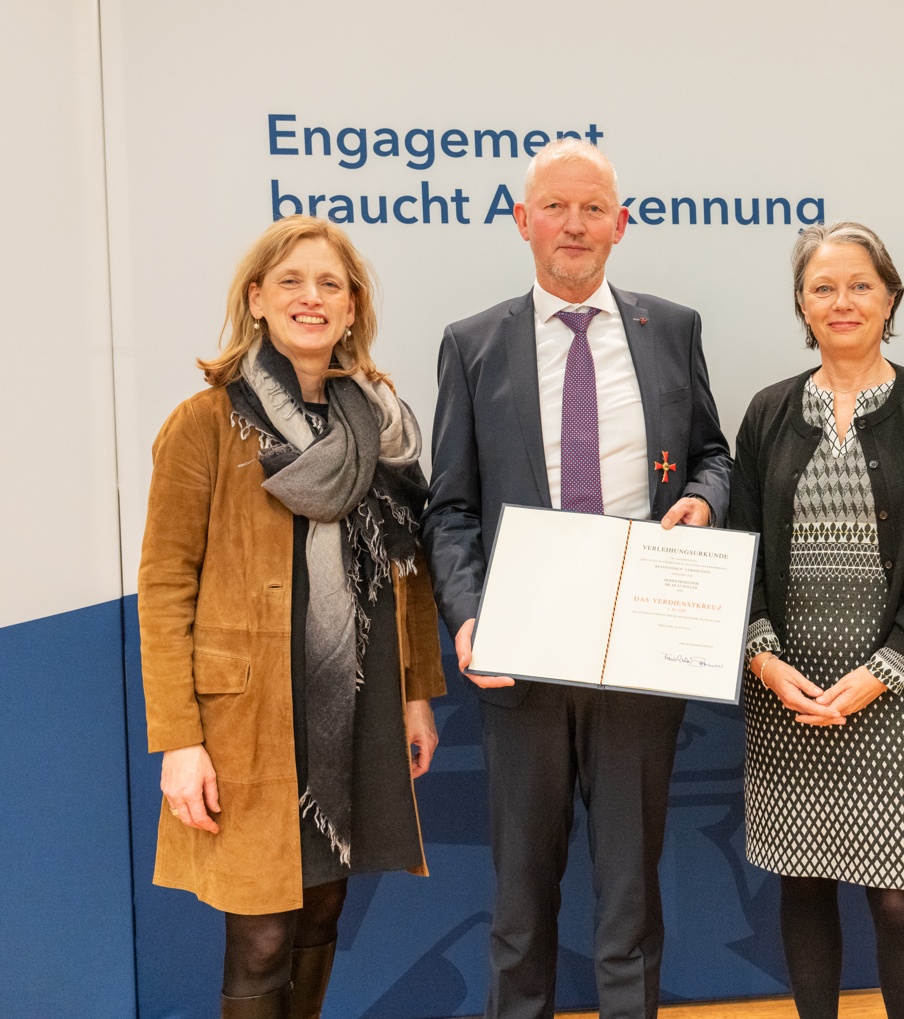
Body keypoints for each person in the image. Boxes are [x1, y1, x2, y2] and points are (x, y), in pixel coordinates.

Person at [422, 138, 731, 1019]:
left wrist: (704, 503)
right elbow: (450, 508)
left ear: (620, 225)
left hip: (642, 647)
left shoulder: (670, 328)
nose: (574, 224)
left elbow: (712, 454)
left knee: (630, 893)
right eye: (555, 207)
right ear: (521, 222)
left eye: (593, 208)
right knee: (521, 898)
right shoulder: (473, 344)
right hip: (521, 652)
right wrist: (469, 616)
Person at [139, 215, 445, 1019]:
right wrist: (179, 740)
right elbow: (166, 584)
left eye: (330, 285)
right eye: (292, 282)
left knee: (320, 909)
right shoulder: (204, 423)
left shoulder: (379, 425)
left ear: (351, 310)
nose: (312, 298)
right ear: (257, 301)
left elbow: (404, 573)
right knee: (264, 929)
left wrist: (416, 694)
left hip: (352, 713)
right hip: (249, 722)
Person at [728, 222, 904, 1019]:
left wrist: (883, 670)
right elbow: (740, 552)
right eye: (823, 287)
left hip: (898, 689)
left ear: (890, 296)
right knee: (803, 881)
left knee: (901, 900)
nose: (842, 301)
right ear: (801, 305)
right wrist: (764, 659)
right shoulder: (768, 412)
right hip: (787, 692)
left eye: (860, 285)